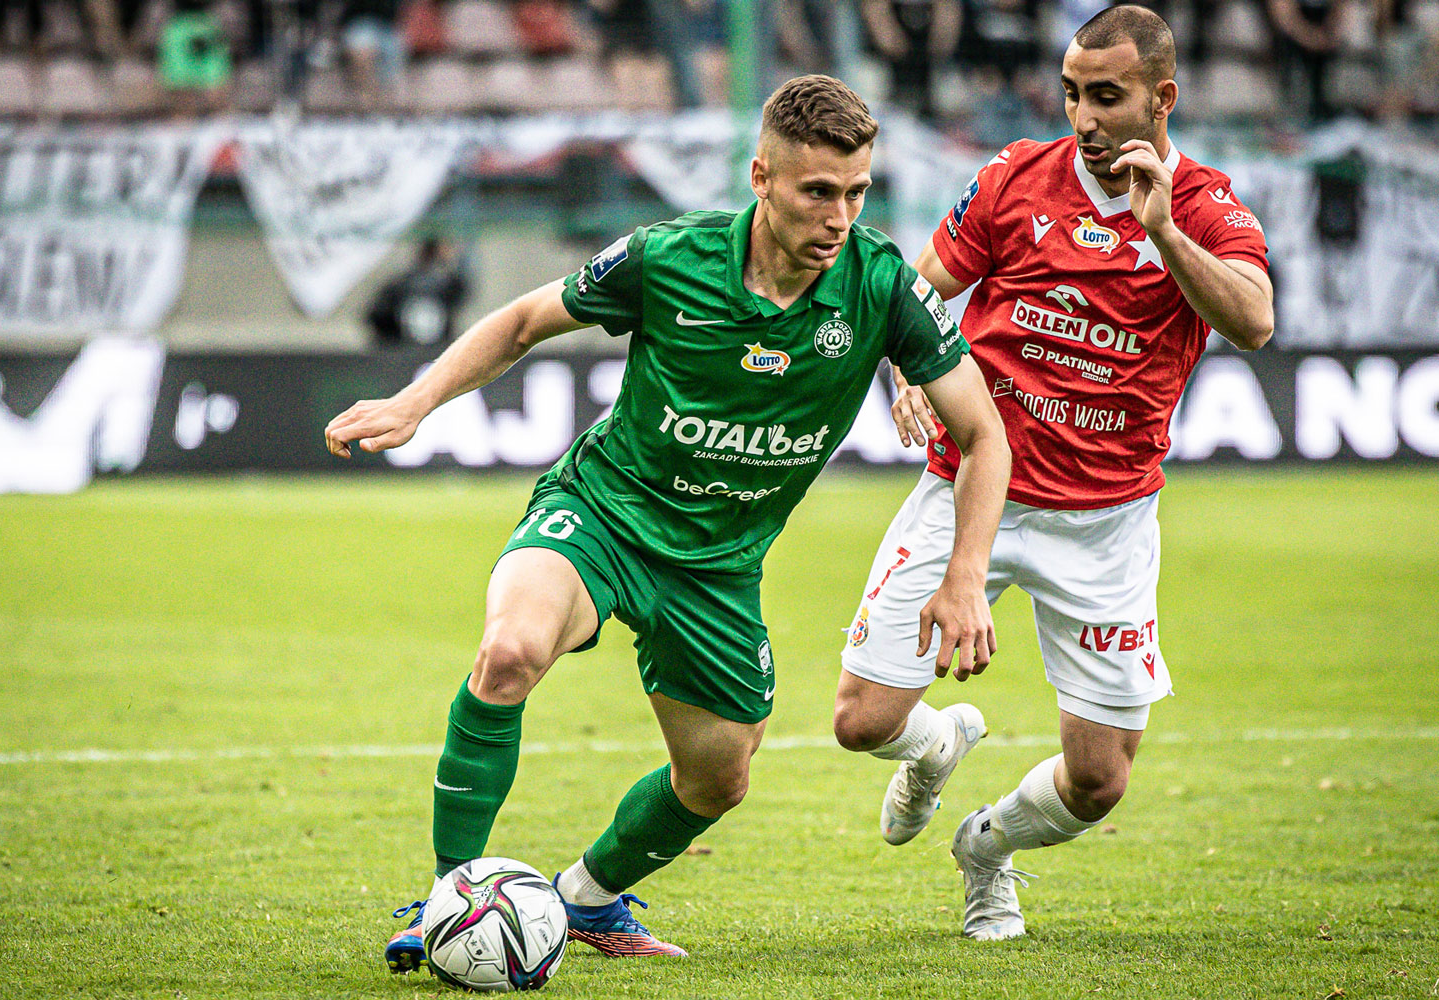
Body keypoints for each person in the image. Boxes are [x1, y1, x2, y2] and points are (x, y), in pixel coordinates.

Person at [323, 74, 1011, 969]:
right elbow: (528, 318)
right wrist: (417, 403)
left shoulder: (879, 286)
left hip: (719, 567)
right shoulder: (667, 258)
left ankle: (588, 899)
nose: (838, 216)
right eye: (816, 192)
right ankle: (453, 901)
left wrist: (965, 575)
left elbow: (984, 433)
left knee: (719, 775)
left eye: (855, 192)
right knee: (509, 654)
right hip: (603, 512)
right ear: (761, 177)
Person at [830, 5, 1274, 941]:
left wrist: (1162, 234)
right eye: (1073, 93)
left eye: (1106, 97)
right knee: (862, 721)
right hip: (969, 489)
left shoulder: (1204, 208)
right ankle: (941, 740)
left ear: (1164, 97)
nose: (1084, 118)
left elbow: (1255, 321)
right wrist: (908, 368)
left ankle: (986, 847)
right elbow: (914, 290)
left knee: (1101, 780)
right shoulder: (1014, 180)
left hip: (1105, 522)